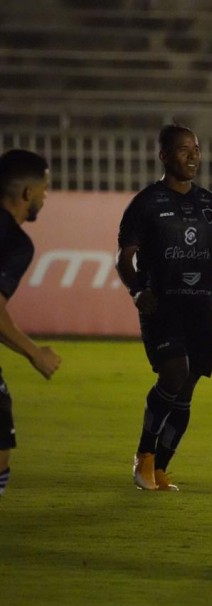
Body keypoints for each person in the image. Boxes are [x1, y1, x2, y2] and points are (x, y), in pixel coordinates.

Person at [117, 124, 212, 492]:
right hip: (162, 307)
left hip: (201, 308)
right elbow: (124, 257)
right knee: (173, 374)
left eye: (196, 149)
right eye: (184, 149)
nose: (193, 155)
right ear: (164, 155)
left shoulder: (210, 203)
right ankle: (144, 455)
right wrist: (137, 291)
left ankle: (162, 468)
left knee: (187, 387)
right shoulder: (146, 203)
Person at [0, 149, 63, 498]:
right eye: (45, 189)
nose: (45, 196)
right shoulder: (15, 242)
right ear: (28, 193)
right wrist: (34, 353)